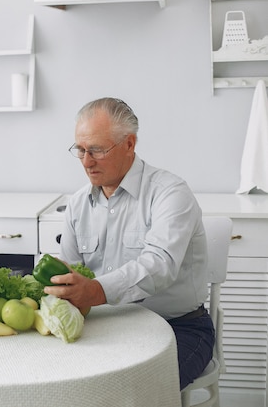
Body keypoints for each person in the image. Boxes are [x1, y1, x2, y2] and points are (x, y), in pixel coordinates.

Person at [46, 97, 214, 390]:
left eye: (97, 149)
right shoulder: (77, 204)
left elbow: (160, 265)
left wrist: (97, 290)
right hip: (105, 325)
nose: (86, 161)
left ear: (129, 144)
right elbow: (70, 275)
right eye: (81, 150)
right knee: (61, 386)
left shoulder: (170, 193)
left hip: (179, 327)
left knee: (131, 391)